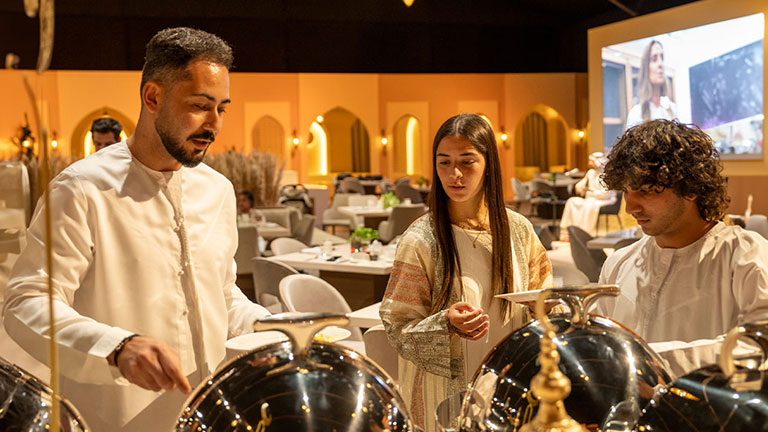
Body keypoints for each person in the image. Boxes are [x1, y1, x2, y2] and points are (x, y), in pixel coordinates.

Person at [3, 27, 270, 431]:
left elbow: (222, 294)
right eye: (200, 106)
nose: (213, 124)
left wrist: (269, 327)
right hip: (117, 418)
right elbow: (26, 302)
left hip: (210, 414)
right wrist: (116, 348)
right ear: (152, 97)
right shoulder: (82, 189)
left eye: (222, 108)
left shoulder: (218, 190)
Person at [380, 114, 553, 430]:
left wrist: (544, 308)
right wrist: (445, 323)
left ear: (488, 165)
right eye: (444, 163)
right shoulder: (421, 238)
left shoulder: (519, 231)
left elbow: (547, 303)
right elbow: (397, 327)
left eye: (467, 162)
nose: (454, 174)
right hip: (443, 396)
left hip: (508, 386)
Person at [596, 119, 768, 375]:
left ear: (690, 188)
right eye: (626, 191)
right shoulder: (618, 264)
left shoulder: (745, 257)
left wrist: (650, 362)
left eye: (646, 191)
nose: (630, 207)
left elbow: (759, 345)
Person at [559, 152, 616, 239]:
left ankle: (584, 234)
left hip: (604, 200)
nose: (589, 163)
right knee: (571, 201)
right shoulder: (591, 172)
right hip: (590, 199)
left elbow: (605, 194)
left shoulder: (607, 174)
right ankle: (567, 233)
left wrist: (590, 193)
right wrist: (579, 186)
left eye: (591, 161)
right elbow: (582, 183)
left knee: (588, 206)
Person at [625, 40, 678, 130]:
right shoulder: (636, 114)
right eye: (654, 59)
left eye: (662, 58)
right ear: (646, 68)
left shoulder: (672, 109)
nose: (660, 64)